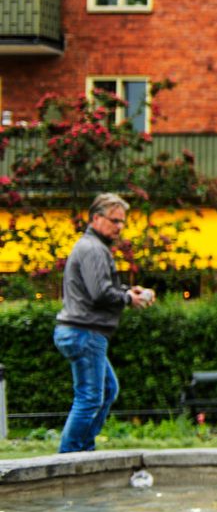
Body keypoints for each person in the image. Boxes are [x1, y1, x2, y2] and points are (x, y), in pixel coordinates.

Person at [53, 193, 155, 453]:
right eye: (114, 221)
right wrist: (128, 299)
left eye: (122, 222)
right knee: (89, 398)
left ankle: (83, 451)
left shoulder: (92, 247)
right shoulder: (94, 249)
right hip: (85, 331)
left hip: (78, 330)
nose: (119, 227)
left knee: (108, 389)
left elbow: (99, 288)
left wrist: (128, 291)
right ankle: (69, 459)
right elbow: (100, 293)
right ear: (96, 218)